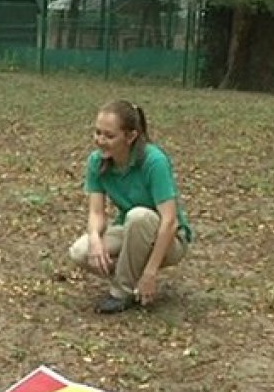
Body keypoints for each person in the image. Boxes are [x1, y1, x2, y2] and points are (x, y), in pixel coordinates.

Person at [68, 100, 193, 313]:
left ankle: (121, 292)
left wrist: (151, 272)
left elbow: (169, 222)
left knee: (138, 216)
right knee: (81, 252)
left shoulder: (154, 161)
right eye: (97, 133)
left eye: (109, 136)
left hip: (167, 238)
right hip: (130, 230)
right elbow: (96, 212)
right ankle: (133, 279)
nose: (100, 141)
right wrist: (96, 239)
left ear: (130, 136)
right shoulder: (97, 162)